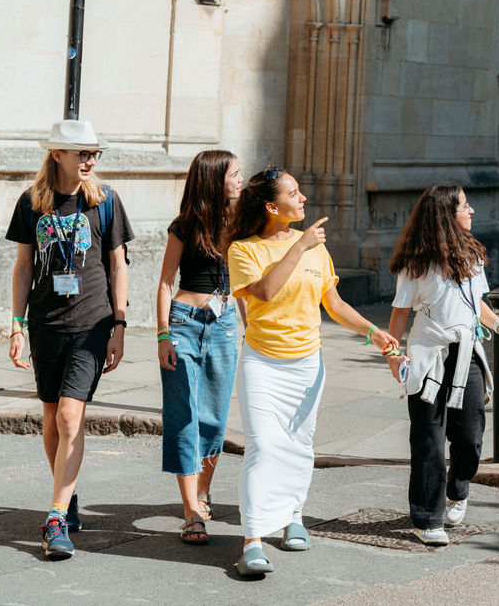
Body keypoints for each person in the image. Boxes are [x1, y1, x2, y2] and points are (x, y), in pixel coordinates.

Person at [227, 168, 398, 576]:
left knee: (299, 446)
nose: (303, 198)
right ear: (272, 206)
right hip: (262, 363)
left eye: (300, 192)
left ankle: (292, 517)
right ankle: (251, 540)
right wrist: (299, 247)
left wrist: (374, 331)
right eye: (293, 193)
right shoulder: (244, 250)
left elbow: (334, 304)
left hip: (307, 363)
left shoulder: (317, 250)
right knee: (264, 446)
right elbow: (264, 293)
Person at [5, 119, 134, 559]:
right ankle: (68, 490)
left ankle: (56, 515)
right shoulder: (31, 203)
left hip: (92, 323)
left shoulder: (105, 201)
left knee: (69, 417)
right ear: (57, 154)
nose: (90, 160)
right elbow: (23, 267)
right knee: (49, 419)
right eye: (82, 153)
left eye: (94, 153)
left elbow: (118, 266)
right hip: (45, 324)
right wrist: (17, 324)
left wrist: (119, 325)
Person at [385, 185, 499, 546]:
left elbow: (476, 306)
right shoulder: (416, 263)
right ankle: (427, 518)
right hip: (429, 355)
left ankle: (458, 488)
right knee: (429, 439)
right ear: (445, 215)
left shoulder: (471, 254)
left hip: (467, 353)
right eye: (465, 207)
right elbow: (400, 312)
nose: (471, 212)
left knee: (469, 437)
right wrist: (394, 355)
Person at [156, 150, 244, 545]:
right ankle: (191, 509)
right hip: (184, 325)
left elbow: (242, 283)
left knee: (215, 417)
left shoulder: (239, 225)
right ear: (214, 180)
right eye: (234, 173)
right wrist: (161, 335)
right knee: (184, 414)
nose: (240, 179)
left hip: (224, 325)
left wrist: (249, 324)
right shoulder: (184, 226)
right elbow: (164, 283)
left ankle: (203, 492)